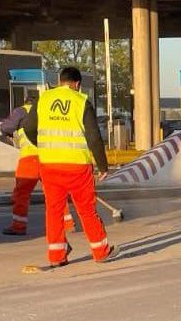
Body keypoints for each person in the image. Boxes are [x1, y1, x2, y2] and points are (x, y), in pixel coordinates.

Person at [22, 67, 115, 266]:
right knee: (86, 210)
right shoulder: (81, 101)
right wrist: (103, 166)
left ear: (59, 81)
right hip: (77, 167)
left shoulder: (44, 99)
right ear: (77, 84)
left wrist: (42, 145)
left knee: (54, 210)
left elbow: (28, 127)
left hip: (49, 165)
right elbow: (94, 137)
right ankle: (101, 251)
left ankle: (57, 256)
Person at [0, 92, 74, 236]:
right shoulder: (50, 111)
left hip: (30, 158)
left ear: (26, 101)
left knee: (22, 193)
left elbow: (6, 127)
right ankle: (67, 223)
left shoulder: (21, 111)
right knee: (55, 192)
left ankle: (18, 225)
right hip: (50, 157)